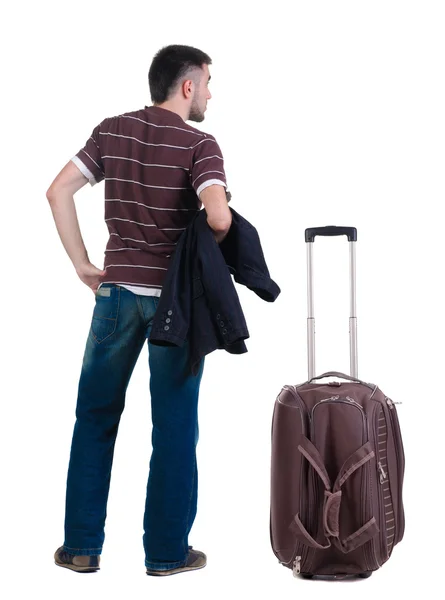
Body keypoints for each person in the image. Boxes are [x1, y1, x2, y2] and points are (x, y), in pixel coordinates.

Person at [46, 44, 232, 576]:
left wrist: (83, 263)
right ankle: (167, 553)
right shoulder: (201, 144)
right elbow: (218, 219)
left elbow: (58, 191)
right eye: (209, 83)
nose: (211, 94)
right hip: (174, 305)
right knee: (174, 427)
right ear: (188, 85)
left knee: (94, 418)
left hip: (115, 296)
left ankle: (81, 547)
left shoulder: (113, 130)